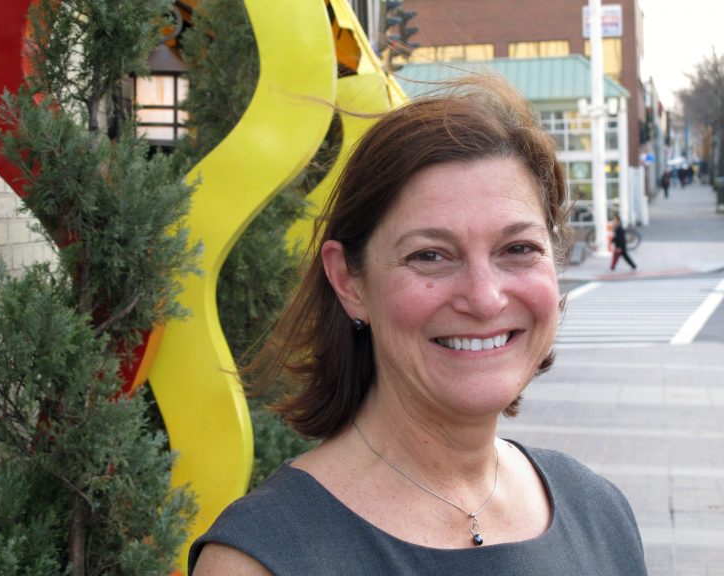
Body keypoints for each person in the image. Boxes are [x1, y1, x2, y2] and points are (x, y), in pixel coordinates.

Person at [189, 74, 648, 575]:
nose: (484, 296)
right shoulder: (261, 560)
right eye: (430, 255)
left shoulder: (600, 514)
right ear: (349, 281)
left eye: (518, 249)